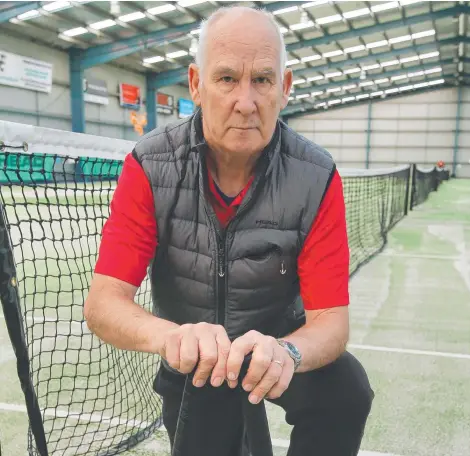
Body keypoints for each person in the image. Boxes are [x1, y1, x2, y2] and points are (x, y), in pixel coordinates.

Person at [84, 5, 374, 455]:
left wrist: (287, 353)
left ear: (286, 87)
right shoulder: (150, 165)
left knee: (347, 390)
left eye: (262, 79)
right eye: (226, 79)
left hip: (277, 343)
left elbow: (330, 324)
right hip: (195, 360)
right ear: (197, 85)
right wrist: (172, 337)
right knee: (211, 412)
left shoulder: (316, 178)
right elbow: (103, 303)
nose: (246, 101)